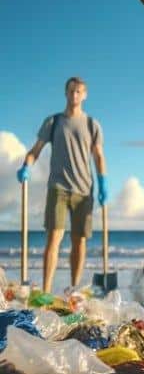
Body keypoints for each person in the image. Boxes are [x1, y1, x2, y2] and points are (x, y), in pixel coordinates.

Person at [16, 76, 108, 294]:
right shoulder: (53, 122)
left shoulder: (91, 124)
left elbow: (98, 156)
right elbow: (35, 150)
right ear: (65, 93)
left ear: (84, 95)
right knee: (54, 237)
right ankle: (47, 291)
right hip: (58, 187)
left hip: (84, 189)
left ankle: (74, 290)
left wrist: (103, 181)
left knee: (79, 241)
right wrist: (26, 165)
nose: (74, 95)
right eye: (71, 91)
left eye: (79, 92)